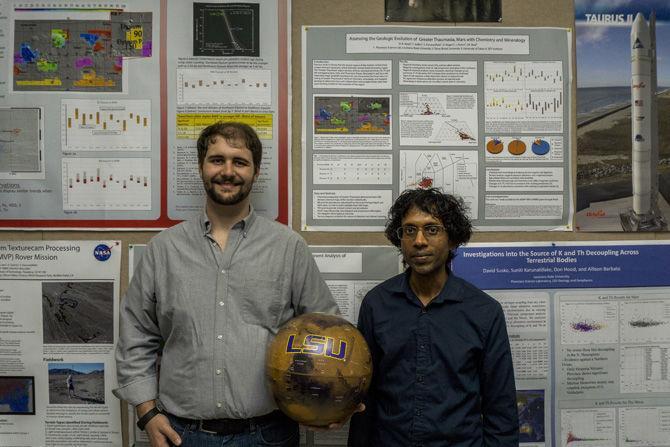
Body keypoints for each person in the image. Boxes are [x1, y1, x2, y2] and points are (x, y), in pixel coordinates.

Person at [114, 122, 339, 447]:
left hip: (270, 434)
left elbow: (326, 330)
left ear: (256, 171)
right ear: (201, 167)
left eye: (240, 161)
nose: (228, 171)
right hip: (182, 435)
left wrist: (332, 397)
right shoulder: (164, 249)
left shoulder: (288, 247)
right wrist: (147, 413)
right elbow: (135, 334)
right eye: (217, 159)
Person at [348, 188, 518, 446]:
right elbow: (365, 398)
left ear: (452, 240)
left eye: (432, 229)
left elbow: (500, 407)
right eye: (409, 230)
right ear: (400, 240)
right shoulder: (376, 304)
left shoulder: (484, 311)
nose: (419, 241)